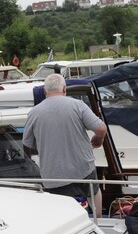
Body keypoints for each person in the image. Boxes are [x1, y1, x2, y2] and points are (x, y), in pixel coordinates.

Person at [22, 73, 107, 213]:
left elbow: (28, 144)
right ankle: (99, 222)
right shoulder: (77, 105)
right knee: (93, 193)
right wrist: (99, 139)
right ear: (64, 89)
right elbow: (101, 128)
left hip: (54, 175)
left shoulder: (34, 113)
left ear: (45, 91)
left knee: (62, 211)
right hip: (83, 169)